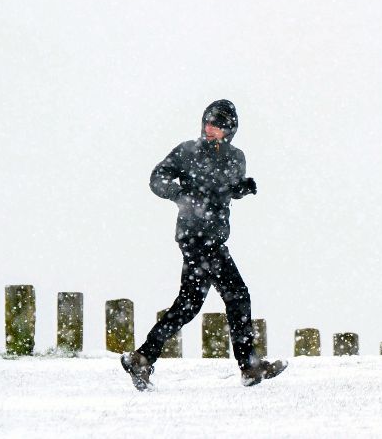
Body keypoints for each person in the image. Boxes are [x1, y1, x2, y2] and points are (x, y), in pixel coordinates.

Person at [120, 99, 287, 390]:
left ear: (230, 130)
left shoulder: (236, 157)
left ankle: (143, 357)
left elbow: (222, 190)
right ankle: (248, 366)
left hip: (215, 236)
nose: (211, 128)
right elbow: (156, 178)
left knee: (189, 304)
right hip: (195, 236)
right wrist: (179, 194)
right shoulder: (188, 151)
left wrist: (240, 189)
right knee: (237, 295)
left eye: (218, 125)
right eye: (208, 122)